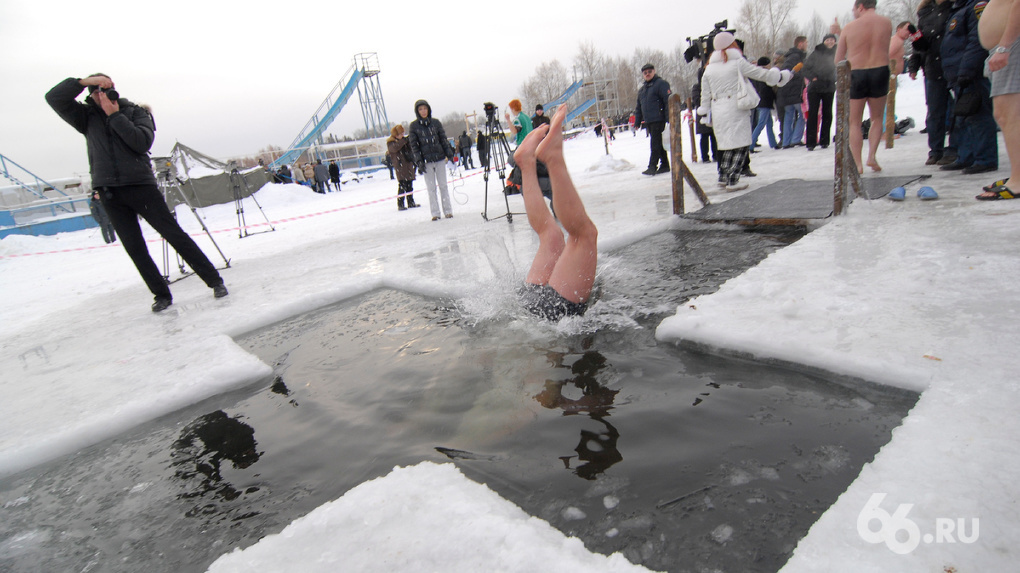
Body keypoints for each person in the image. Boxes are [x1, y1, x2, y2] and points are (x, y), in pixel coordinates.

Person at [46, 74, 227, 312]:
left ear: (114, 92)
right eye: (94, 90)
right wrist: (81, 82)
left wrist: (115, 115)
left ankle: (214, 280)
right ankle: (161, 294)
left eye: (103, 90)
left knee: (172, 233)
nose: (99, 94)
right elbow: (53, 97)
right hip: (109, 191)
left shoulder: (136, 112)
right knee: (134, 246)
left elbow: (142, 142)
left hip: (140, 186)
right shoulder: (86, 117)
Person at [513, 105, 597, 321]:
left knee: (552, 235)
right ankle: (548, 158)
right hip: (554, 311)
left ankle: (528, 163)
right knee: (581, 236)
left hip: (539, 304)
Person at [698, 32, 793, 191]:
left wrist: (705, 110)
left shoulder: (709, 68)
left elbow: (705, 94)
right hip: (736, 107)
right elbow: (761, 74)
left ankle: (723, 176)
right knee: (740, 144)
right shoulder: (737, 63)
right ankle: (733, 179)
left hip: (718, 109)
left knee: (726, 144)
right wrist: (779, 75)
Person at [939, 0, 998, 175]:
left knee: (979, 117)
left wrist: (967, 69)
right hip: (958, 73)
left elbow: (977, 39)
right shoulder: (959, 8)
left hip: (972, 73)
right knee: (964, 117)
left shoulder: (976, 6)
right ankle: (966, 156)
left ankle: (985, 159)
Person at [835, 0, 893, 173]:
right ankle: (872, 156)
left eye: (854, 9)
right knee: (876, 118)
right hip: (880, 70)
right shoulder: (886, 23)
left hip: (857, 72)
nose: (853, 12)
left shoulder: (850, 28)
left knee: (854, 122)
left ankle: (858, 164)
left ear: (860, 6)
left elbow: (838, 59)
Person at [978, 0, 1020, 198]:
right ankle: (1017, 174)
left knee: (1009, 114)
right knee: (1007, 114)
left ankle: (1019, 180)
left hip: (1012, 43)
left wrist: (1004, 47)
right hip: (1008, 43)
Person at [909, 0, 959, 165]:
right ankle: (935, 150)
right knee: (934, 113)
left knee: (955, 111)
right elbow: (920, 45)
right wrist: (913, 65)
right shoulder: (924, 12)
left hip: (953, 67)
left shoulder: (955, 7)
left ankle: (953, 149)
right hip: (932, 69)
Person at [407, 99, 456, 221]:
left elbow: (443, 140)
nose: (423, 111)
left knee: (443, 186)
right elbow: (414, 146)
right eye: (420, 109)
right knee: (431, 188)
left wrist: (449, 154)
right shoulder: (414, 126)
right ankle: (435, 213)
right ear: (417, 111)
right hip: (426, 161)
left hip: (439, 158)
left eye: (425, 108)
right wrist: (419, 161)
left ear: (428, 109)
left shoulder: (436, 123)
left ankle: (448, 210)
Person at [633, 63, 672, 175]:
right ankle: (664, 164)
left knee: (655, 144)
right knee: (658, 143)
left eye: (649, 72)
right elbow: (638, 107)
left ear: (654, 71)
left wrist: (668, 118)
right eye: (645, 73)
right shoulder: (642, 90)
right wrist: (637, 121)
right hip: (649, 121)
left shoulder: (661, 84)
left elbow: (668, 101)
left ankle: (652, 166)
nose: (647, 74)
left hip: (659, 119)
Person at [803, 34, 839, 150]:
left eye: (832, 40)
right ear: (824, 42)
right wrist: (812, 77)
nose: (830, 42)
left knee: (827, 113)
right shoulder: (816, 53)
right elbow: (805, 68)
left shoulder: (837, 52)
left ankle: (824, 141)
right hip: (815, 87)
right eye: (827, 40)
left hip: (829, 86)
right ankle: (811, 142)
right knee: (813, 114)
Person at [778, 36, 808, 149]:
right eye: (806, 42)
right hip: (794, 91)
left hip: (787, 92)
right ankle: (795, 139)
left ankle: (786, 141)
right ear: (800, 44)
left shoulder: (790, 56)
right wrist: (802, 76)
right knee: (802, 114)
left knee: (789, 116)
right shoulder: (796, 57)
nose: (807, 45)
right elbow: (789, 72)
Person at [386, 124, 420, 210]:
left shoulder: (404, 142)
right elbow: (394, 148)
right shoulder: (391, 142)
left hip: (408, 165)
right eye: (400, 134)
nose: (402, 135)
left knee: (409, 184)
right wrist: (403, 141)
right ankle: (400, 204)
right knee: (402, 185)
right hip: (400, 166)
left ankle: (411, 202)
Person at [750, 57, 780, 152]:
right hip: (765, 102)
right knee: (761, 124)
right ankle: (751, 144)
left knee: (769, 123)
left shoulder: (757, 74)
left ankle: (773, 143)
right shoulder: (764, 74)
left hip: (762, 101)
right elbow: (766, 89)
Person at [692, 63, 718, 163]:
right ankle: (705, 156)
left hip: (713, 112)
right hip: (703, 114)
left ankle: (716, 155)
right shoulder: (697, 87)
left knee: (713, 136)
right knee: (704, 136)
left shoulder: (713, 85)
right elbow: (696, 100)